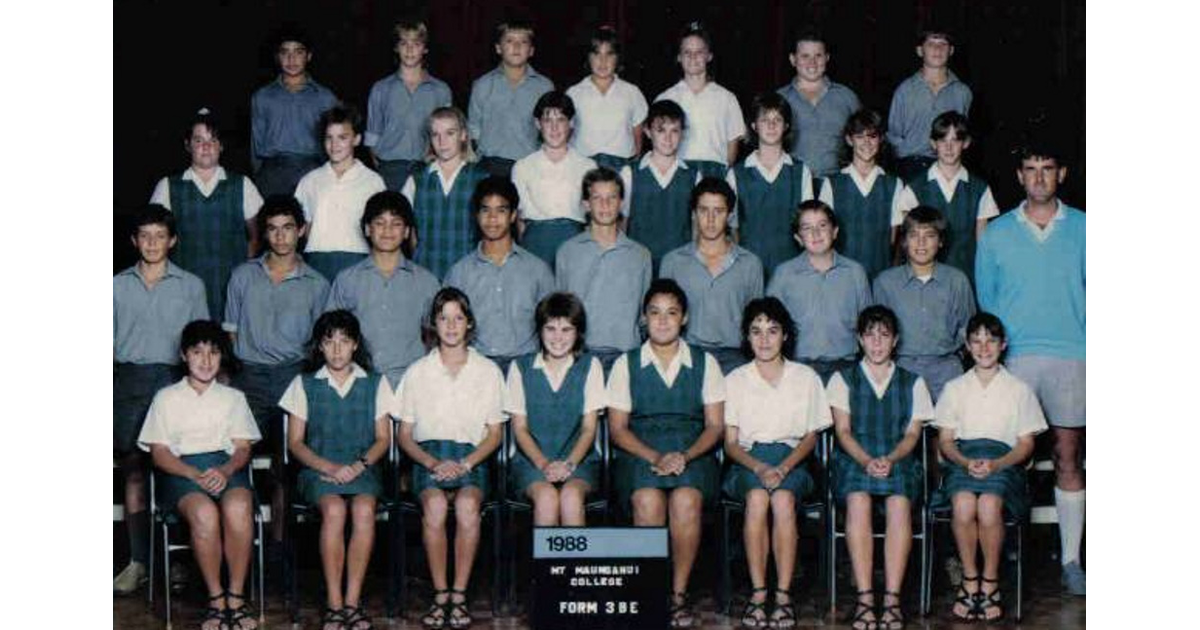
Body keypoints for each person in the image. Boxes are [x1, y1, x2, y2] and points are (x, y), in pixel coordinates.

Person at [975, 138, 1085, 595]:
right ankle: (1003, 557)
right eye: (1030, 168)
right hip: (1015, 358)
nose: (1039, 176)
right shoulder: (998, 231)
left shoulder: (1087, 227)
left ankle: (1073, 560)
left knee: (1067, 456)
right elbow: (987, 299)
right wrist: (999, 356)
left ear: (1061, 174)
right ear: (1019, 176)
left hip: (1073, 354)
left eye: (1047, 168)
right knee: (1009, 460)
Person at [606, 279, 725, 629]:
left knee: (686, 500)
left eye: (671, 313)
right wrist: (655, 457)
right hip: (640, 450)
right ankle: (649, 590)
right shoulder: (626, 364)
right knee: (647, 501)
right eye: (654, 313)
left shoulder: (705, 363)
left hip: (693, 450)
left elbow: (715, 427)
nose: (662, 321)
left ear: (684, 318)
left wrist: (684, 456)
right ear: (644, 318)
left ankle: (677, 594)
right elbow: (617, 429)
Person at [137, 320, 262, 630]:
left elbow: (243, 448)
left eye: (213, 353)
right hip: (181, 471)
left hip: (226, 467)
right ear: (183, 355)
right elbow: (160, 453)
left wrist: (226, 469)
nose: (206, 361)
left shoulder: (233, 398)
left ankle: (236, 597)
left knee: (238, 506)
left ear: (222, 357)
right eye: (197, 352)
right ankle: (216, 601)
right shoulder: (166, 397)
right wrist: (193, 473)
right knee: (205, 512)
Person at [396, 288, 507, 630]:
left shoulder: (487, 371)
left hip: (471, 459)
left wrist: (467, 463)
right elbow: (403, 434)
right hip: (428, 458)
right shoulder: (417, 371)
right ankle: (439, 593)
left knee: (467, 507)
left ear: (469, 323)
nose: (451, 325)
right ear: (433, 323)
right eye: (443, 317)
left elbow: (495, 434)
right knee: (435, 507)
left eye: (458, 317)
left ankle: (459, 595)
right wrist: (431, 463)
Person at [224, 195, 330, 550]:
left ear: (301, 231)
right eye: (272, 229)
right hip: (249, 378)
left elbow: (322, 345)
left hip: (293, 377)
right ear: (264, 233)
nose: (281, 237)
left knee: (287, 465)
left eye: (288, 228)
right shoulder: (242, 275)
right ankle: (239, 543)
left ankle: (281, 548)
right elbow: (231, 333)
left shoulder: (317, 283)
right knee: (235, 456)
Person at [113, 205, 209, 596]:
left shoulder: (191, 286)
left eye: (160, 236)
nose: (152, 243)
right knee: (134, 470)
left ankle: (179, 563)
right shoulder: (114, 286)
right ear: (134, 240)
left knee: (176, 468)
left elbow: (203, 345)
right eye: (144, 236)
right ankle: (138, 561)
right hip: (129, 382)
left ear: (173, 241)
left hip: (175, 382)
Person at [722, 297, 831, 629]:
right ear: (746, 337)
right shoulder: (736, 379)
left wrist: (784, 467)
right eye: (756, 332)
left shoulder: (805, 377)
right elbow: (730, 443)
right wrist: (758, 467)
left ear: (785, 335)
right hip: (748, 462)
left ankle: (782, 595)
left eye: (772, 331)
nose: (764, 339)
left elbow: (811, 437)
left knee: (782, 499)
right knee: (757, 498)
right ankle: (758, 593)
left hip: (793, 460)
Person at [280, 310, 392, 630]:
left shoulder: (375, 383)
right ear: (320, 346)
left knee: (363, 509)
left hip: (363, 469)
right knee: (333, 510)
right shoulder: (304, 384)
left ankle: (352, 603)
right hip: (318, 471)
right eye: (329, 342)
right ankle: (334, 603)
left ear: (355, 344)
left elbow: (384, 439)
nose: (337, 349)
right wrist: (329, 467)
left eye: (344, 341)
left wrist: (357, 466)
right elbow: (296, 443)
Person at [934, 313, 1048, 621]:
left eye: (991, 341)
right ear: (968, 347)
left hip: (1004, 461)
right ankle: (970, 580)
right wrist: (964, 461)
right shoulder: (955, 388)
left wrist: (997, 463)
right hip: (964, 457)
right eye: (977, 341)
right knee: (963, 504)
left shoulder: (1018, 389)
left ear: (1003, 345)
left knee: (988, 505)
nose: (984, 348)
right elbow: (945, 441)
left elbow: (1026, 445)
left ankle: (991, 581)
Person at [827, 306, 935, 630]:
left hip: (897, 457)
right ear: (860, 339)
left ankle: (891, 599)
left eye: (884, 335)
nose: (877, 342)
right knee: (858, 501)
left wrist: (891, 459)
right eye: (870, 335)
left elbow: (913, 434)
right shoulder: (841, 379)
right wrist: (865, 460)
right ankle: (864, 598)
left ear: (895, 340)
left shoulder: (913, 383)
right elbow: (842, 432)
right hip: (854, 458)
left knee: (899, 503)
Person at [150, 108, 263, 318]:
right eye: (198, 140)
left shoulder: (242, 185)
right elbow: (153, 239)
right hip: (182, 291)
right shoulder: (167, 186)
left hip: (230, 291)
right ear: (187, 145)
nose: (206, 147)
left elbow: (258, 235)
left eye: (212, 140)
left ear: (221, 146)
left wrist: (241, 271)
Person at [507, 293, 606, 525]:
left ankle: (572, 563)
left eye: (566, 330)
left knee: (571, 497)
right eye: (550, 329)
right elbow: (520, 429)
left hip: (579, 461)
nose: (558, 338)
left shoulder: (591, 367)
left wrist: (569, 465)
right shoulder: (520, 368)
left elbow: (589, 429)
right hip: (532, 463)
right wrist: (544, 465)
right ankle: (546, 563)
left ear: (578, 332)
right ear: (540, 331)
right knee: (547, 498)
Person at [325, 191, 440, 390]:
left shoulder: (427, 282)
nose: (387, 231)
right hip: (359, 383)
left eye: (396, 224)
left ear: (406, 232)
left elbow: (439, 338)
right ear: (368, 229)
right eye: (379, 223)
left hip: (413, 384)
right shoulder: (347, 280)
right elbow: (330, 336)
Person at [444, 177, 555, 374]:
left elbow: (553, 326)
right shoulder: (459, 273)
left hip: (525, 369)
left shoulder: (538, 270)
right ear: (476, 215)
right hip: (476, 369)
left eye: (501, 210)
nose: (492, 218)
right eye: (486, 210)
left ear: (513, 215)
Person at [660, 177, 763, 374]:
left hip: (735, 360)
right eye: (703, 210)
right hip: (687, 357)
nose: (710, 219)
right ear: (693, 214)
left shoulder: (750, 264)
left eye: (718, 211)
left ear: (730, 216)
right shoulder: (673, 262)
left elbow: (756, 323)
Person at [554, 167, 652, 372]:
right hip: (581, 355)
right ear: (586, 204)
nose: (605, 205)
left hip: (625, 356)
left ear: (622, 203)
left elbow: (644, 315)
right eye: (597, 198)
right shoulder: (568, 251)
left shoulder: (640, 255)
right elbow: (561, 309)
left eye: (612, 198)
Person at [872, 205, 974, 401]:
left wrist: (956, 358)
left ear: (941, 241)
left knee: (950, 428)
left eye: (929, 235)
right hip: (901, 368)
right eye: (913, 235)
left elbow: (967, 327)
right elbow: (876, 333)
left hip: (947, 370)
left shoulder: (957, 280)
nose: (921, 243)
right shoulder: (885, 283)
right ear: (903, 241)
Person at [767, 200, 872, 383]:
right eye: (807, 228)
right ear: (798, 238)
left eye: (822, 225)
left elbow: (869, 327)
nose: (815, 233)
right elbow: (769, 327)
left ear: (835, 231)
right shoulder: (784, 274)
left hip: (845, 368)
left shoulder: (855, 272)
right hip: (798, 368)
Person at [895, 112, 998, 285]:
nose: (949, 148)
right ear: (933, 143)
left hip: (966, 277)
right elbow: (908, 243)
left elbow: (983, 246)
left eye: (955, 140)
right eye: (943, 140)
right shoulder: (914, 188)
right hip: (925, 279)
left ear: (966, 143)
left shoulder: (980, 189)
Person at [726, 92, 815, 278]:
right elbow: (732, 228)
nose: (772, 125)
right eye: (765, 120)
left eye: (778, 119)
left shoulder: (800, 172)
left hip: (792, 268)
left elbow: (807, 225)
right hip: (749, 268)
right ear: (754, 126)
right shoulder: (737, 174)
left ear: (786, 126)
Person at [295, 105, 388, 282]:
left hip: (358, 259)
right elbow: (303, 226)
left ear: (357, 139)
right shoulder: (309, 181)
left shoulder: (373, 181)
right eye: (329, 138)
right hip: (317, 261)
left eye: (342, 138)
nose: (334, 145)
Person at [400, 107, 489, 280]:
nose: (442, 141)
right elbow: (408, 232)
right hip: (425, 273)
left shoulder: (481, 179)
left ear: (463, 135)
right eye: (435, 135)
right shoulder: (416, 180)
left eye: (450, 133)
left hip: (468, 275)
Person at [818, 109, 906, 281]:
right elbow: (825, 236)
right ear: (849, 140)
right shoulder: (832, 184)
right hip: (842, 276)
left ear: (880, 139)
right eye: (859, 136)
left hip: (881, 273)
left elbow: (894, 239)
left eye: (872, 136)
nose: (866, 142)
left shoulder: (894, 184)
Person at [511, 91, 597, 265]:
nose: (554, 128)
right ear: (537, 124)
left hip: (575, 241)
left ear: (571, 123)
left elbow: (592, 217)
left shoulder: (587, 166)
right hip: (536, 243)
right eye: (548, 120)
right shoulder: (523, 166)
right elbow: (520, 220)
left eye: (561, 120)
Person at [366, 20, 453, 191]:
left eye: (416, 43)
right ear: (396, 48)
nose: (410, 49)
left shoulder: (441, 90)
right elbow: (372, 136)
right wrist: (383, 163)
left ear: (425, 48)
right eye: (404, 43)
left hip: (427, 168)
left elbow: (449, 133)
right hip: (390, 169)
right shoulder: (381, 88)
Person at [251, 28, 339, 197]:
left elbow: (335, 140)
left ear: (308, 56)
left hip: (312, 169)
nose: (291, 59)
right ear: (278, 57)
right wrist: (261, 176)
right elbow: (256, 146)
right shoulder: (262, 96)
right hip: (273, 173)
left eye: (298, 52)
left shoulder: (325, 97)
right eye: (285, 53)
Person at [654, 21, 746, 179]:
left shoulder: (727, 98)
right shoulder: (666, 98)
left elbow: (733, 144)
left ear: (709, 56)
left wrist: (722, 175)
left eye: (699, 52)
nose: (693, 58)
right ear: (679, 57)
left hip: (714, 172)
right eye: (687, 52)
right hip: (678, 172)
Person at [619, 99, 702, 273]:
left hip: (680, 267)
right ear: (648, 131)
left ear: (682, 134)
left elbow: (696, 228)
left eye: (675, 131)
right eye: (661, 130)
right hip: (639, 266)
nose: (668, 138)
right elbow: (622, 224)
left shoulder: (693, 176)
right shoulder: (630, 173)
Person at [467, 19, 555, 178]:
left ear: (531, 50)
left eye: (523, 41)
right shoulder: (482, 85)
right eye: (509, 41)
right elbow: (473, 129)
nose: (516, 46)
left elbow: (550, 130)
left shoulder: (544, 87)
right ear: (498, 48)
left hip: (529, 166)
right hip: (488, 166)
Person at [886, 28, 973, 182]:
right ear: (920, 51)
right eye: (931, 43)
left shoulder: (963, 92)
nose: (937, 49)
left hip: (950, 167)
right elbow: (894, 135)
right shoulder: (905, 90)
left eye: (943, 44)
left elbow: (963, 134)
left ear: (951, 50)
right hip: (912, 167)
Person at [776, 29, 862, 179]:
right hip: (792, 182)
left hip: (837, 183)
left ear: (827, 58)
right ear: (793, 59)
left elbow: (865, 140)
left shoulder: (847, 97)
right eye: (805, 56)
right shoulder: (779, 98)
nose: (812, 62)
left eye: (818, 55)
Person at [566, 25, 649, 172]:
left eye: (609, 54)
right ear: (588, 57)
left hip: (621, 167)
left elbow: (638, 139)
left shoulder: (632, 92)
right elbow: (566, 135)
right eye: (596, 54)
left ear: (617, 58)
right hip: (583, 167)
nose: (602, 61)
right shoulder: (574, 93)